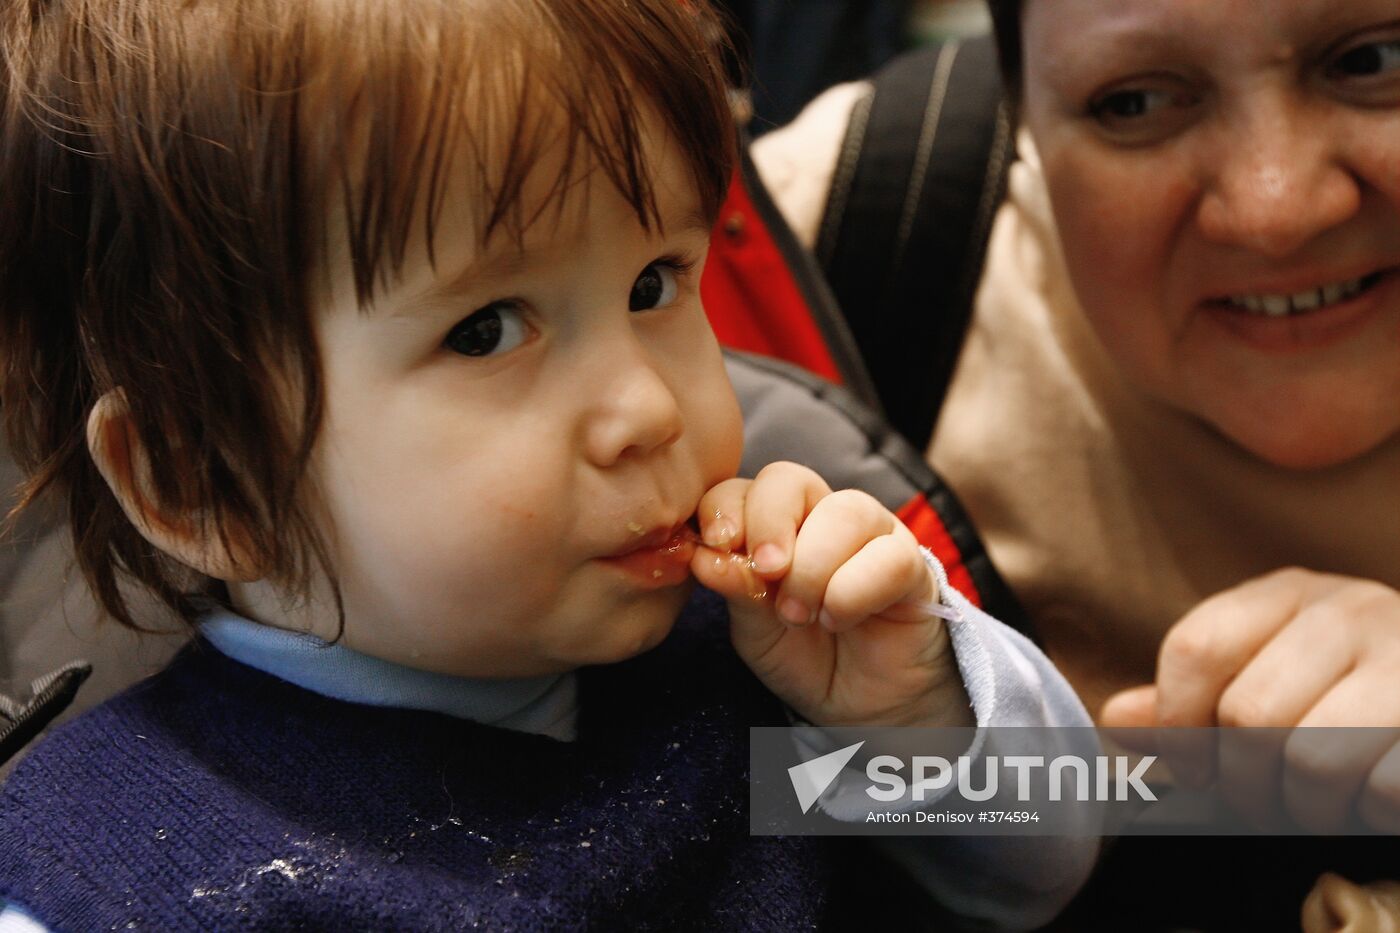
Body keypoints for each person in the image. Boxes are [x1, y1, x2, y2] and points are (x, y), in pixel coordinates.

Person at [0, 0, 1095, 927]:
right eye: (484, 331)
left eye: (655, 284)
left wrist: (910, 714)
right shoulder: (101, 875)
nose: (648, 409)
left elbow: (1042, 866)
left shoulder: (763, 675)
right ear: (204, 479)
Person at [751, 0, 1400, 924]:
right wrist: (923, 758)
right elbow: (697, 802)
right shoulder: (801, 245)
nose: (1275, 209)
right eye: (1133, 103)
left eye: (1374, 60)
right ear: (1020, 117)